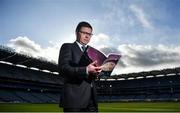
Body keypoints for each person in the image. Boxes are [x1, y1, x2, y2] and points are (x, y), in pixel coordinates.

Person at [58, 21, 101, 112]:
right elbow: (63, 69)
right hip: (74, 100)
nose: (87, 36)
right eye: (84, 33)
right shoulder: (67, 46)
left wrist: (97, 73)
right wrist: (86, 70)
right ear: (76, 32)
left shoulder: (92, 52)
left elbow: (91, 75)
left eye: (89, 34)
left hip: (92, 99)